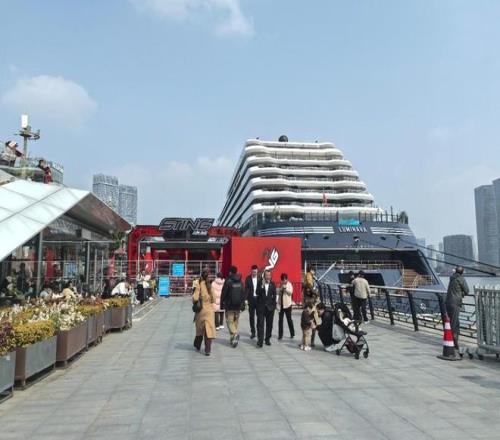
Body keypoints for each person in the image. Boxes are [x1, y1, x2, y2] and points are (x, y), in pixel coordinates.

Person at [445, 266, 469, 355]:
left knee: (454, 323)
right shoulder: (461, 279)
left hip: (448, 302)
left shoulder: (451, 278)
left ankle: (453, 341)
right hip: (455, 303)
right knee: (454, 324)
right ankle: (454, 343)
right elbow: (467, 291)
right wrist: (461, 293)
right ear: (462, 272)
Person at [192, 269, 216, 356]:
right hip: (209, 311)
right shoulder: (210, 285)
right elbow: (214, 299)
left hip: (201, 311)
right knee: (208, 330)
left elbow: (195, 298)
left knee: (199, 330)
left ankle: (197, 345)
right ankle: (207, 350)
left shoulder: (199, 284)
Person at [220, 266, 245, 347]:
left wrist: (221, 304)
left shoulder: (228, 281)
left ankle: (234, 334)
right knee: (235, 322)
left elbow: (224, 293)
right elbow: (243, 293)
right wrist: (243, 304)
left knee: (230, 322)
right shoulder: (240, 281)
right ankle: (232, 340)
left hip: (229, 306)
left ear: (230, 272)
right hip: (238, 306)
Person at [256, 270, 277, 347]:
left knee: (269, 325)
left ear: (271, 276)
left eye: (269, 275)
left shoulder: (272, 284)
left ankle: (267, 339)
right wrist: (262, 285)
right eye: (266, 275)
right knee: (260, 324)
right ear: (264, 276)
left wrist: (274, 306)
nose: (268, 277)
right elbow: (257, 292)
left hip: (270, 308)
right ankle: (260, 340)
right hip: (261, 307)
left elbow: (274, 296)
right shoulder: (260, 283)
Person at [278, 273, 295, 340]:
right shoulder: (281, 285)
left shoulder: (289, 284)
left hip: (288, 304)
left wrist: (285, 289)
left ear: (287, 279)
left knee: (289, 319)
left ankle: (292, 333)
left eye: (285, 279)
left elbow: (290, 292)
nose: (284, 281)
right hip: (281, 305)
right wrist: (281, 289)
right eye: (283, 279)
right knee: (280, 320)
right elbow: (278, 292)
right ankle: (280, 335)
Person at [244, 264, 259, 339]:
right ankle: (253, 332)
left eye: (255, 272)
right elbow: (246, 289)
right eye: (253, 272)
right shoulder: (248, 278)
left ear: (257, 271)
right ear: (251, 271)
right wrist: (245, 299)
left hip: (258, 300)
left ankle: (259, 330)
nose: (254, 273)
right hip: (251, 299)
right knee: (251, 316)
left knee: (259, 317)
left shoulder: (260, 278)